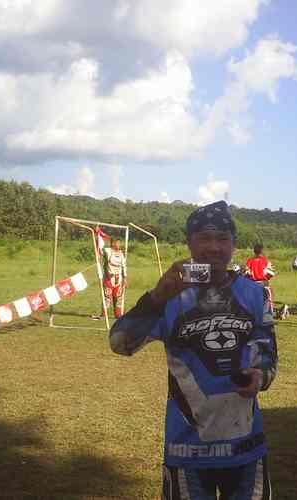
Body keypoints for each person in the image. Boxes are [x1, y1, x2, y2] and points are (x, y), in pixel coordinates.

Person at [109, 200, 277, 499]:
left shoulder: (255, 294)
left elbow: (268, 354)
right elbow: (120, 344)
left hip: (246, 447)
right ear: (189, 243)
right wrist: (156, 297)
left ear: (234, 244)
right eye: (204, 238)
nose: (214, 247)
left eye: (222, 238)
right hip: (186, 449)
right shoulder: (171, 295)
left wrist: (260, 376)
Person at [245, 243, 276, 310]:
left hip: (252, 284)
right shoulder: (265, 261)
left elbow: (246, 274)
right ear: (261, 251)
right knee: (269, 298)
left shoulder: (249, 261)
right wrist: (266, 278)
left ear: (254, 251)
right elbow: (271, 273)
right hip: (263, 284)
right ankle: (269, 312)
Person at [102, 238, 128, 318]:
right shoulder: (108, 251)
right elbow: (99, 249)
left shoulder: (121, 254)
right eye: (117, 243)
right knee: (107, 297)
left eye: (119, 243)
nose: (119, 245)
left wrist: (125, 278)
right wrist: (97, 237)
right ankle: (104, 314)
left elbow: (124, 266)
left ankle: (118, 315)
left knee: (118, 297)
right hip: (109, 278)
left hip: (118, 278)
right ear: (113, 243)